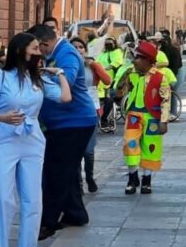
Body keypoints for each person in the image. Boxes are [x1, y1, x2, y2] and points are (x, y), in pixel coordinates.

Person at [0, 32, 72, 247]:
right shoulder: (0, 77)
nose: (39, 52)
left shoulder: (38, 79)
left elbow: (65, 97)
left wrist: (59, 73)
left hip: (32, 140)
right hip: (4, 139)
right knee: (2, 196)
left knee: (33, 197)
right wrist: (2, 118)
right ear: (21, 50)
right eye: (34, 48)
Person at [27, 23, 95, 238]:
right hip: (64, 123)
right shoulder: (53, 54)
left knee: (55, 172)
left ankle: (47, 221)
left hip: (74, 122)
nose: (36, 53)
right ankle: (76, 213)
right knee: (67, 170)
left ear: (44, 43)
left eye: (36, 47)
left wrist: (42, 76)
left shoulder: (67, 54)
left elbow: (68, 82)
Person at [115, 41, 170, 195]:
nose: (134, 60)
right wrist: (123, 76)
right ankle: (132, 178)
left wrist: (164, 120)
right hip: (133, 114)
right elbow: (118, 90)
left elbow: (166, 99)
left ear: (147, 60)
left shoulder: (160, 77)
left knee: (151, 147)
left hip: (153, 116)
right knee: (130, 143)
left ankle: (146, 180)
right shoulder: (131, 73)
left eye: (138, 57)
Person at [70, 37, 111, 193]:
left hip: (91, 110)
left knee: (88, 150)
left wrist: (94, 65)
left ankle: (89, 177)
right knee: (75, 150)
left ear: (85, 50)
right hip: (72, 111)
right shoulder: (67, 66)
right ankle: (78, 183)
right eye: (74, 47)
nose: (78, 49)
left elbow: (107, 81)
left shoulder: (91, 66)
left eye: (81, 47)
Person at [98, 36, 124, 126]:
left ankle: (104, 119)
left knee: (108, 100)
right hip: (99, 79)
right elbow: (97, 62)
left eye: (110, 43)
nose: (108, 44)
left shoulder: (117, 52)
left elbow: (116, 62)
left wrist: (105, 68)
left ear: (114, 43)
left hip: (109, 80)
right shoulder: (103, 53)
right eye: (107, 43)